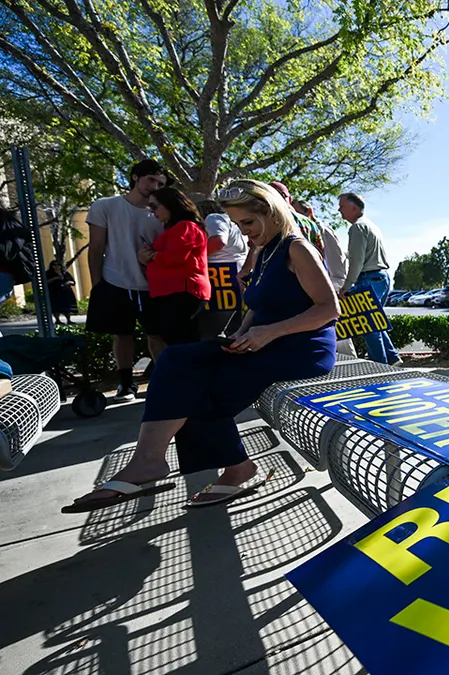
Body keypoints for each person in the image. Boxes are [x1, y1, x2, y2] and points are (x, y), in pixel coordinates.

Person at [63, 180, 339, 512]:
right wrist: (243, 333)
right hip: (262, 343)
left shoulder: (297, 248)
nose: (244, 231)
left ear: (272, 213)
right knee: (176, 359)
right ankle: (149, 458)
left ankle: (235, 467)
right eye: (238, 225)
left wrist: (268, 333)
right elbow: (257, 308)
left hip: (300, 350)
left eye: (248, 223)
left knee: (199, 388)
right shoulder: (265, 252)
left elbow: (329, 309)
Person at [85, 159, 171, 401]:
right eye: (151, 179)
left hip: (154, 284)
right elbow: (96, 247)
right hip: (115, 281)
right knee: (122, 334)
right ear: (135, 177)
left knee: (157, 335)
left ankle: (166, 380)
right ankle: (126, 384)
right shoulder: (105, 206)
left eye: (160, 183)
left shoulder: (163, 214)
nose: (154, 186)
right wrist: (97, 284)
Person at [138, 188, 211, 345]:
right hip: (171, 292)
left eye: (155, 206)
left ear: (169, 204)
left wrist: (152, 255)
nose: (152, 211)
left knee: (180, 339)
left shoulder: (186, 226)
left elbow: (175, 257)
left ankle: (190, 369)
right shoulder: (175, 228)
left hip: (182, 291)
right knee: (176, 338)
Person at [338, 192, 399, 365]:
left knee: (369, 326)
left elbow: (357, 261)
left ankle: (381, 366)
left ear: (354, 207)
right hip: (382, 277)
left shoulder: (357, 227)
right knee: (376, 322)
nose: (339, 210)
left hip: (368, 279)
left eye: (342, 206)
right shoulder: (371, 225)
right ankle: (392, 357)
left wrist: (346, 286)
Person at [295, 198, 355, 357]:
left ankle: (349, 364)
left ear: (309, 212)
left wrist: (335, 285)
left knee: (341, 334)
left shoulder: (321, 230)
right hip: (321, 286)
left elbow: (336, 260)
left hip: (332, 283)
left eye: (297, 212)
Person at [195, 196, 249, 337]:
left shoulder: (214, 218)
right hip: (235, 282)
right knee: (233, 332)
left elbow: (218, 241)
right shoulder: (235, 224)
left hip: (222, 282)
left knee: (213, 335)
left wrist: (190, 258)